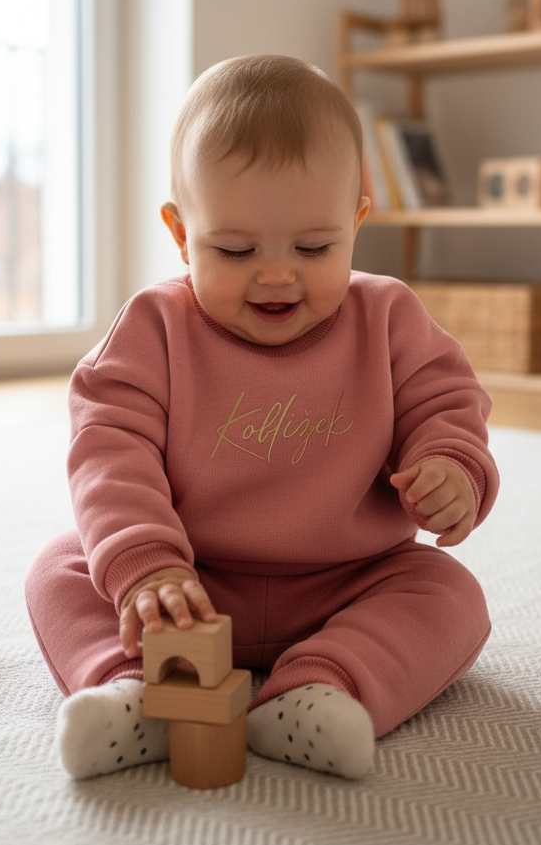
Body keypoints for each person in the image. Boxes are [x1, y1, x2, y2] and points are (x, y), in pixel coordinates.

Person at [26, 54, 498, 781]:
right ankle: (134, 688)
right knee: (62, 567)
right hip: (188, 586)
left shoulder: (390, 317)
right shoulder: (154, 328)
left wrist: (453, 468)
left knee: (450, 593)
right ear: (182, 235)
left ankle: (322, 687)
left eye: (315, 247)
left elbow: (446, 403)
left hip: (351, 581)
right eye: (235, 249)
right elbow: (108, 448)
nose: (277, 274)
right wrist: (145, 568)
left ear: (356, 223)